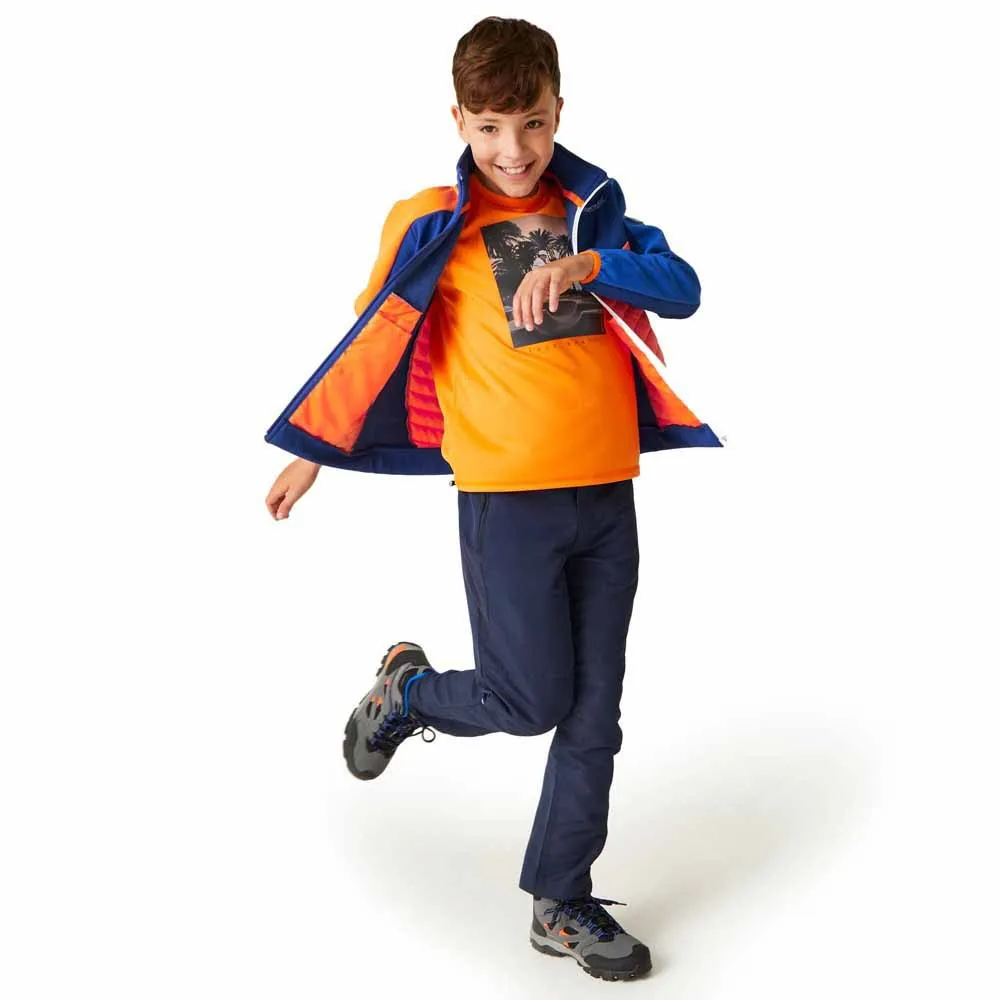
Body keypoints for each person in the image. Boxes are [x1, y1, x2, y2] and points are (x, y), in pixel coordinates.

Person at [264, 16, 722, 982]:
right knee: (527, 698)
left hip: (608, 493)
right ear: (458, 121)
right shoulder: (431, 219)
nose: (513, 150)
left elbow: (682, 287)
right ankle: (406, 693)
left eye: (532, 123)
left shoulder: (594, 212)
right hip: (507, 501)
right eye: (489, 128)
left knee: (594, 716)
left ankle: (560, 901)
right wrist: (316, 448)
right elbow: (376, 334)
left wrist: (590, 263)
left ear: (558, 112)